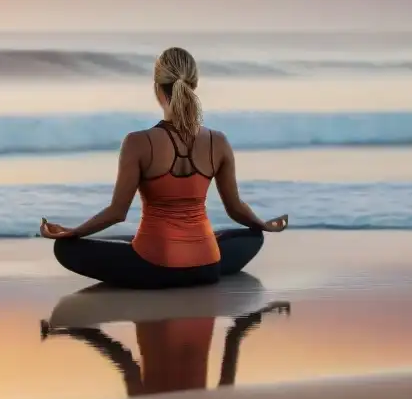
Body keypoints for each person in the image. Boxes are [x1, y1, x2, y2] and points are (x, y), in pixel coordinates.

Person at [39, 46, 288, 289]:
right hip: (207, 268)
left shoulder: (138, 142)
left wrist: (73, 232)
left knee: (66, 248)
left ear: (157, 88)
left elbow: (117, 213)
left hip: (154, 267)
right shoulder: (218, 141)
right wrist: (263, 224)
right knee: (251, 235)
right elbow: (235, 209)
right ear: (194, 86)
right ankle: (203, 256)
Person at [40, 301, 291, 396]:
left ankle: (70, 330)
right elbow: (234, 338)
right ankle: (69, 331)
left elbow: (123, 359)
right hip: (184, 326)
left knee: (123, 359)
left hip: (172, 327)